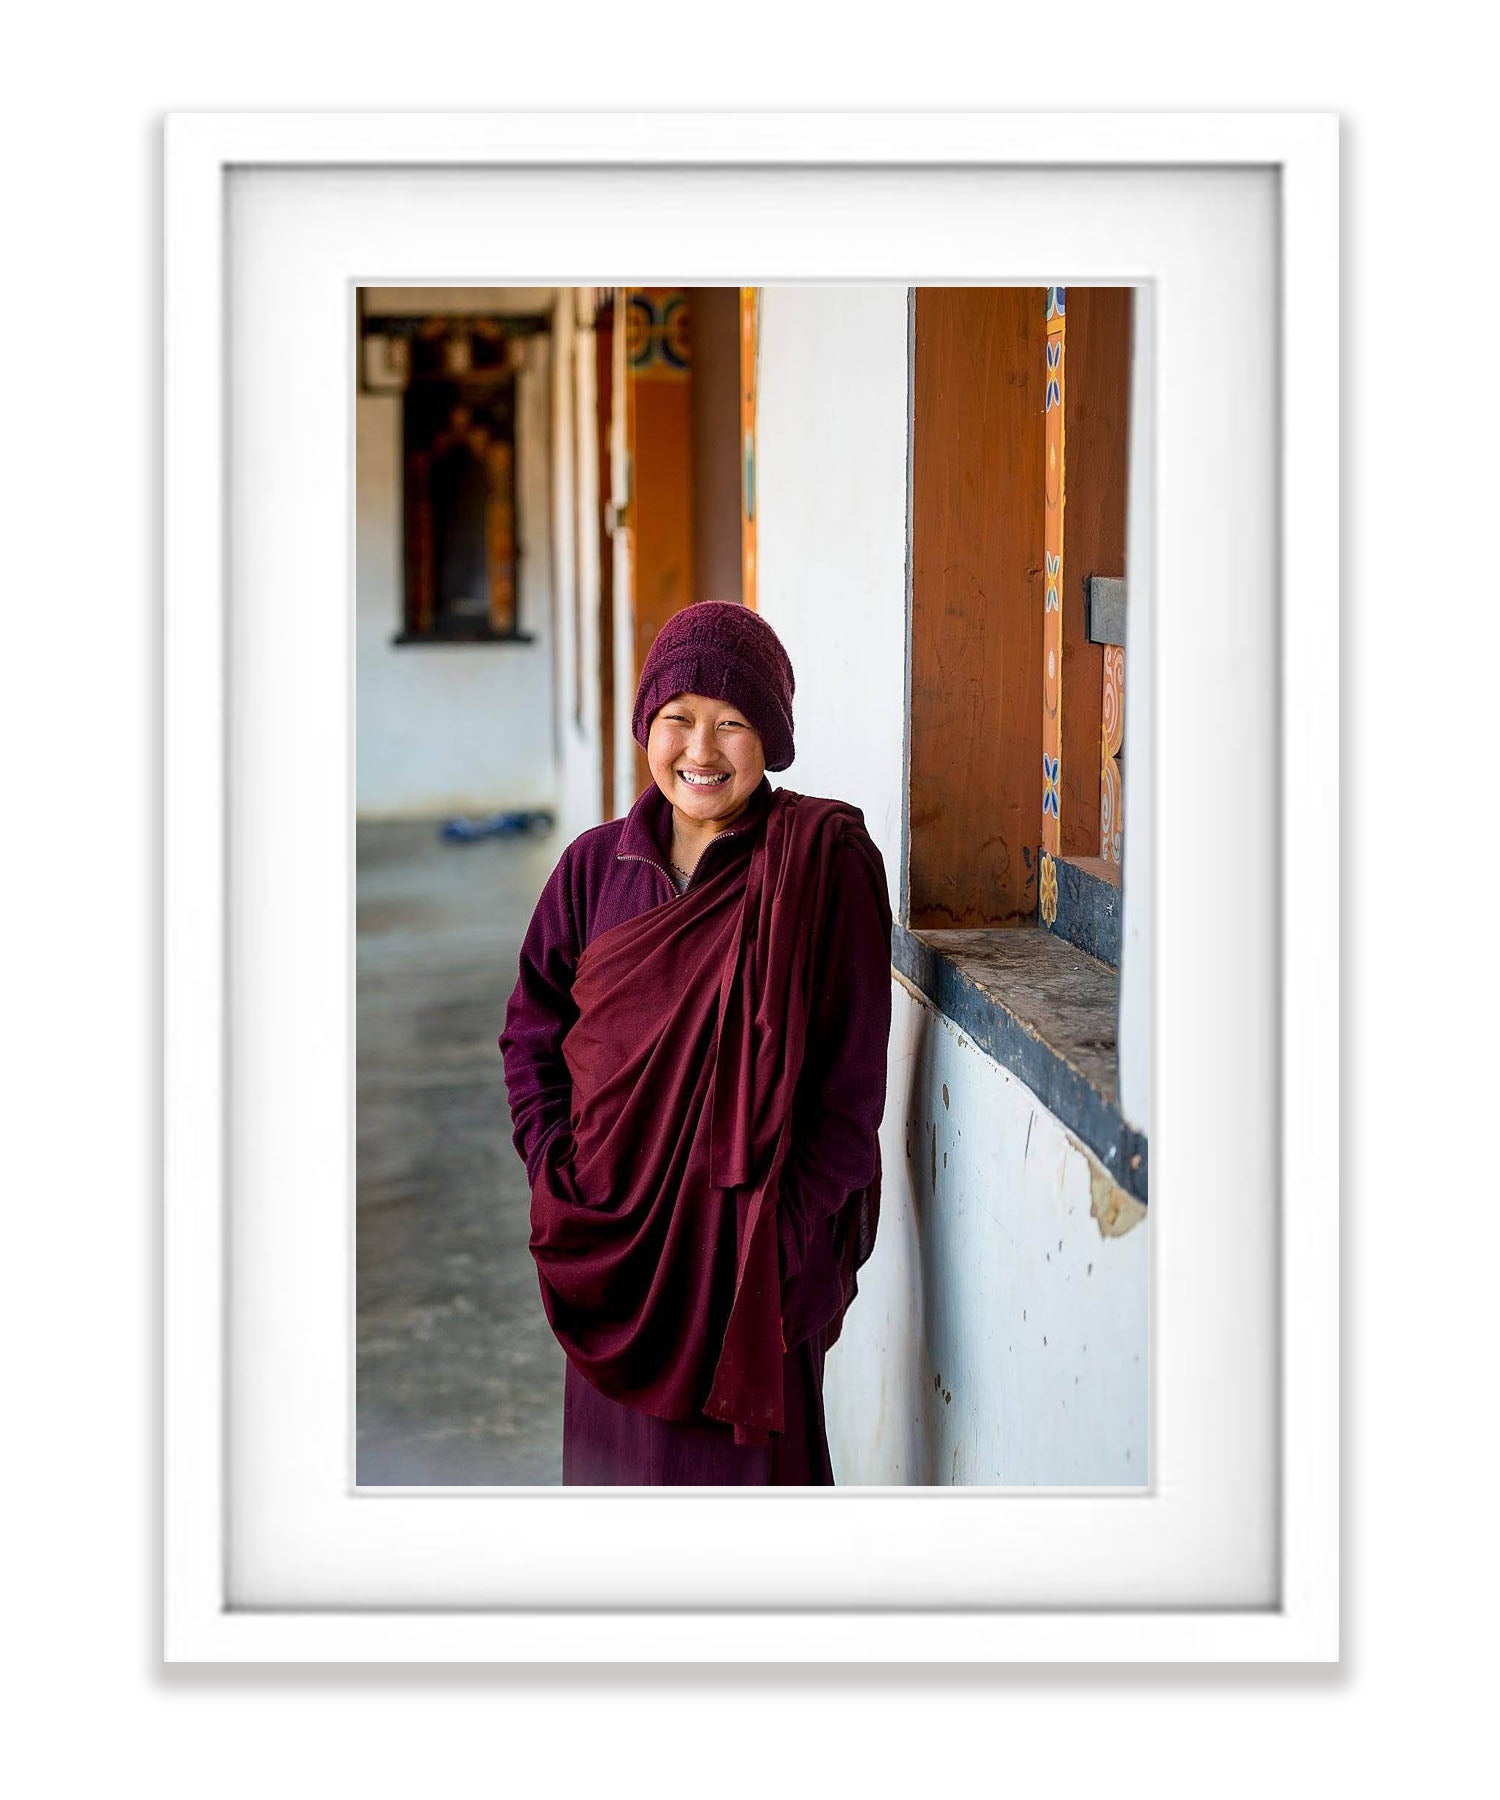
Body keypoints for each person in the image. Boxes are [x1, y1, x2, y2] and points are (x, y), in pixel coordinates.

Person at [499, 600, 893, 1484]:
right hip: (610, 1251)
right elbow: (532, 1034)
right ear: (648, 722)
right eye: (678, 717)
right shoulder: (593, 868)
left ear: (773, 737)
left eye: (733, 722)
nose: (701, 751)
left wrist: (778, 1238)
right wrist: (559, 1175)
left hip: (749, 1274)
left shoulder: (817, 867)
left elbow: (849, 1092)